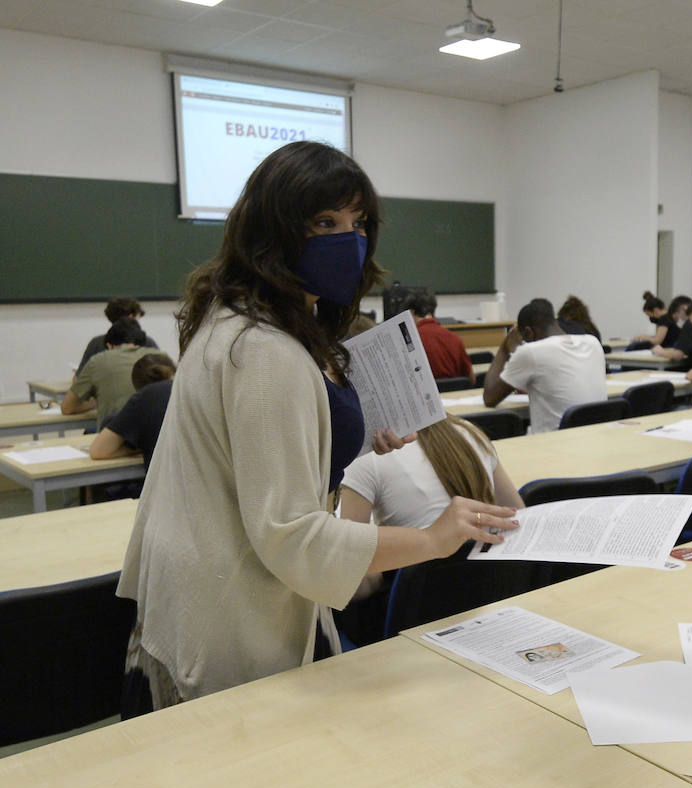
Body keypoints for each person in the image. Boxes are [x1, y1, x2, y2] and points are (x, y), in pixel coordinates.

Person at [117, 141, 518, 714]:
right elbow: (290, 534)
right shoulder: (265, 351)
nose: (347, 240)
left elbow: (260, 447)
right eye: (324, 222)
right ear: (273, 232)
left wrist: (347, 434)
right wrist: (433, 538)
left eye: (358, 224)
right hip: (234, 607)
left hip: (213, 581)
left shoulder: (243, 319)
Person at [340, 414, 525, 599]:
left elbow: (351, 579)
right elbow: (519, 518)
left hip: (415, 613)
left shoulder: (364, 455)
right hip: (492, 597)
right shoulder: (470, 432)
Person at [484, 298, 607, 433]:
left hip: (553, 445)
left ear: (529, 333)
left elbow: (489, 398)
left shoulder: (531, 352)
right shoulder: (592, 342)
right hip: (596, 438)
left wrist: (504, 347)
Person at [62, 317, 164, 426]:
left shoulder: (98, 360)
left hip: (115, 434)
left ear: (109, 345)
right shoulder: (159, 357)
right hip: (157, 434)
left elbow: (67, 408)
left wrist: (96, 403)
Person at [89, 353, 176, 468]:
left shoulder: (145, 397)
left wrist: (139, 447)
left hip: (164, 482)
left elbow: (98, 451)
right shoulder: (191, 387)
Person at [77, 296, 159, 373]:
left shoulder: (96, 343)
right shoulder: (146, 342)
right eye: (138, 317)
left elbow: (79, 376)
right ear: (131, 317)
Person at [407, 289, 474, 383]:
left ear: (411, 312)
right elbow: (471, 380)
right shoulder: (455, 338)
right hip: (454, 395)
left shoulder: (409, 342)